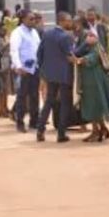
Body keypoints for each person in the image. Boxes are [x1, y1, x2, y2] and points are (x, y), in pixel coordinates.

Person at [35, 11, 77, 143]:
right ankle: (61, 133)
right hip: (63, 75)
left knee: (49, 102)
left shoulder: (47, 34)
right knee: (65, 103)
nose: (70, 23)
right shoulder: (66, 37)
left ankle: (40, 130)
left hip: (49, 74)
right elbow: (70, 55)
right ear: (61, 21)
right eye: (68, 20)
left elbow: (39, 54)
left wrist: (44, 70)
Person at [78, 29, 109, 142]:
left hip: (95, 82)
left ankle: (95, 131)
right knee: (96, 105)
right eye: (88, 36)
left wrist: (77, 60)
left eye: (91, 35)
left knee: (93, 105)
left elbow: (91, 59)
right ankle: (102, 128)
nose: (89, 38)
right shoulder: (92, 47)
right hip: (93, 81)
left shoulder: (96, 48)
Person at [10, 9, 41, 132]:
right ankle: (20, 122)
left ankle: (34, 121)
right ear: (23, 20)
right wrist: (18, 66)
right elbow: (14, 51)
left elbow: (38, 48)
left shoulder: (34, 32)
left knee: (34, 96)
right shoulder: (17, 32)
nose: (34, 21)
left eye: (34, 19)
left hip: (35, 68)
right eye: (31, 19)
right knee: (22, 97)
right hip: (23, 69)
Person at [0, 23, 14, 118]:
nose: (4, 31)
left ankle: (5, 107)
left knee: (6, 89)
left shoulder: (4, 38)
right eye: (2, 29)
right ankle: (1, 109)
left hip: (7, 66)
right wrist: (7, 43)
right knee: (1, 90)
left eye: (5, 29)